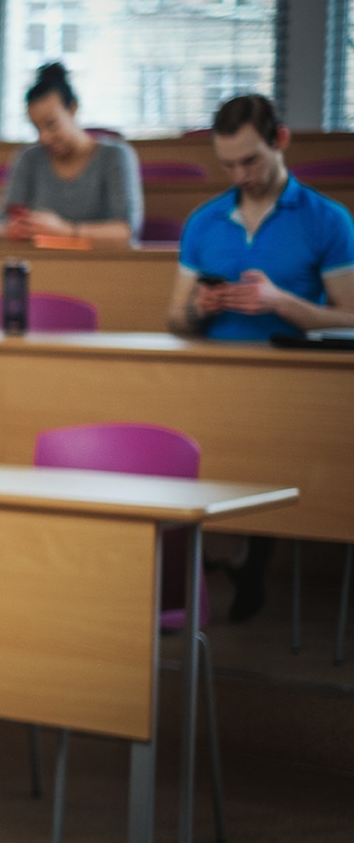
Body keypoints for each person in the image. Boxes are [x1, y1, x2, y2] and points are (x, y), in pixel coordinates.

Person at [166, 93, 354, 622]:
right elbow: (174, 319)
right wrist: (198, 309)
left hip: (296, 389)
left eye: (251, 160)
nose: (241, 174)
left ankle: (251, 556)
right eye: (228, 164)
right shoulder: (204, 222)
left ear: (281, 141)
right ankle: (218, 562)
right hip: (213, 384)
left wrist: (285, 304)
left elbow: (352, 315)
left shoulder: (327, 220)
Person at [0, 61, 143, 244]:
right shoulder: (29, 158)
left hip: (101, 266)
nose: (44, 137)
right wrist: (10, 229)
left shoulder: (115, 155)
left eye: (51, 124)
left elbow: (126, 231)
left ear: (72, 108)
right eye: (37, 128)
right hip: (41, 264)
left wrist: (65, 230)